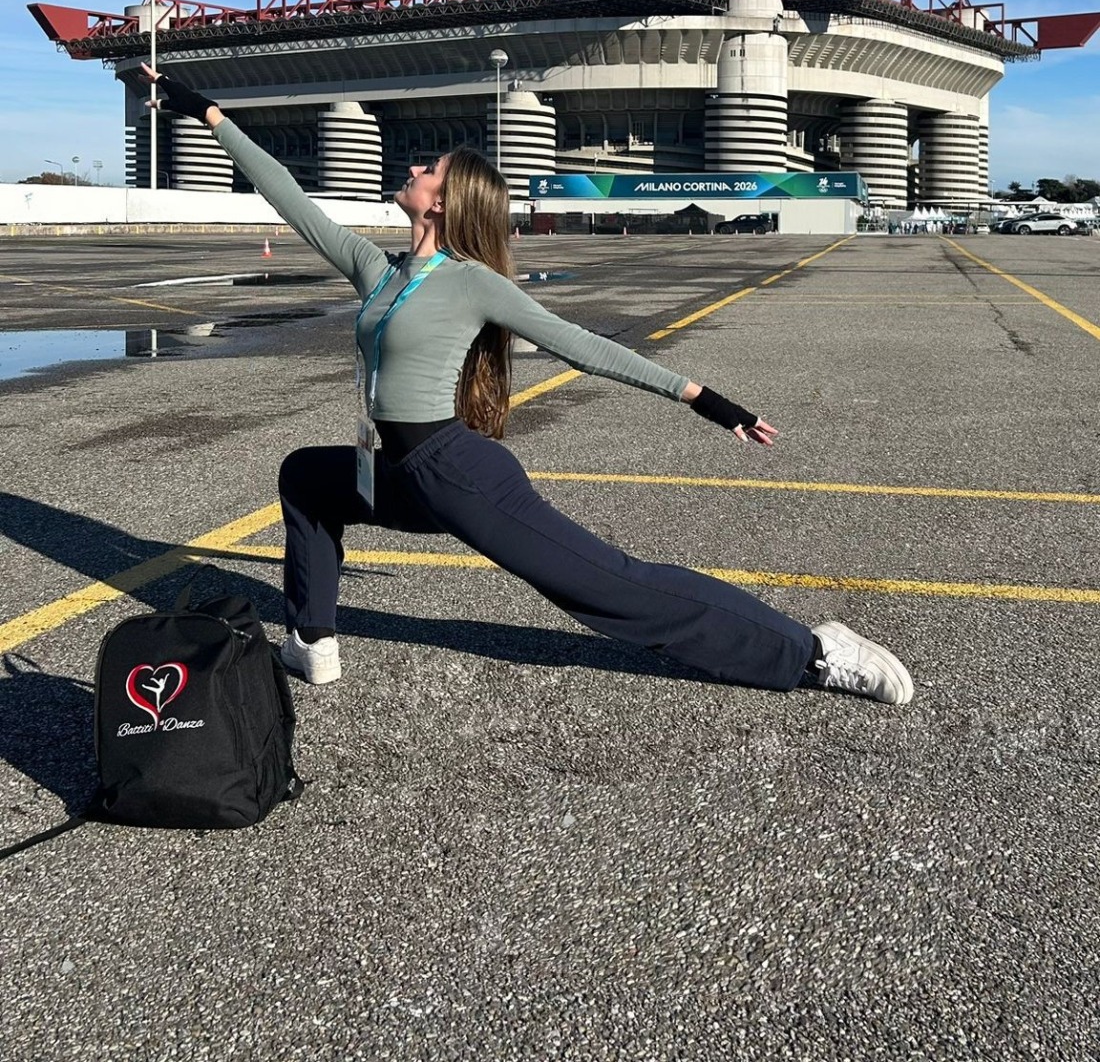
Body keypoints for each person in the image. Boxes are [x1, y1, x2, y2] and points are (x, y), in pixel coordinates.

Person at [141, 65, 914, 706]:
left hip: (455, 475)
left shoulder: (475, 282)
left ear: (444, 200)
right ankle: (311, 640)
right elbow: (288, 195)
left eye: (427, 170)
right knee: (306, 478)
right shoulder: (380, 272)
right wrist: (202, 108)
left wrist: (706, 400)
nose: (411, 170)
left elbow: (579, 346)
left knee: (614, 588)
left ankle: (810, 652)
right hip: (393, 473)